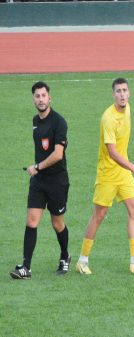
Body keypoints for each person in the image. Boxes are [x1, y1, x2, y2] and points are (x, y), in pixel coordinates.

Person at [75, 77, 134, 275]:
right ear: (113, 95)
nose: (122, 94)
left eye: (124, 90)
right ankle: (82, 261)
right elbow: (112, 152)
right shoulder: (108, 119)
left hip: (123, 173)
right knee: (99, 215)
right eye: (118, 91)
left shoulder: (127, 109)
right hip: (108, 174)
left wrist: (128, 169)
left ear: (129, 93)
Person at [10, 81, 71, 280]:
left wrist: (36, 167)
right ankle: (25, 267)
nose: (41, 99)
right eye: (37, 96)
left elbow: (58, 154)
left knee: (57, 224)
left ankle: (65, 256)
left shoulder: (59, 122)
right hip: (39, 181)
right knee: (31, 221)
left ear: (49, 98)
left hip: (57, 181)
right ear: (33, 100)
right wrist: (37, 171)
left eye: (44, 95)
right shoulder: (35, 120)